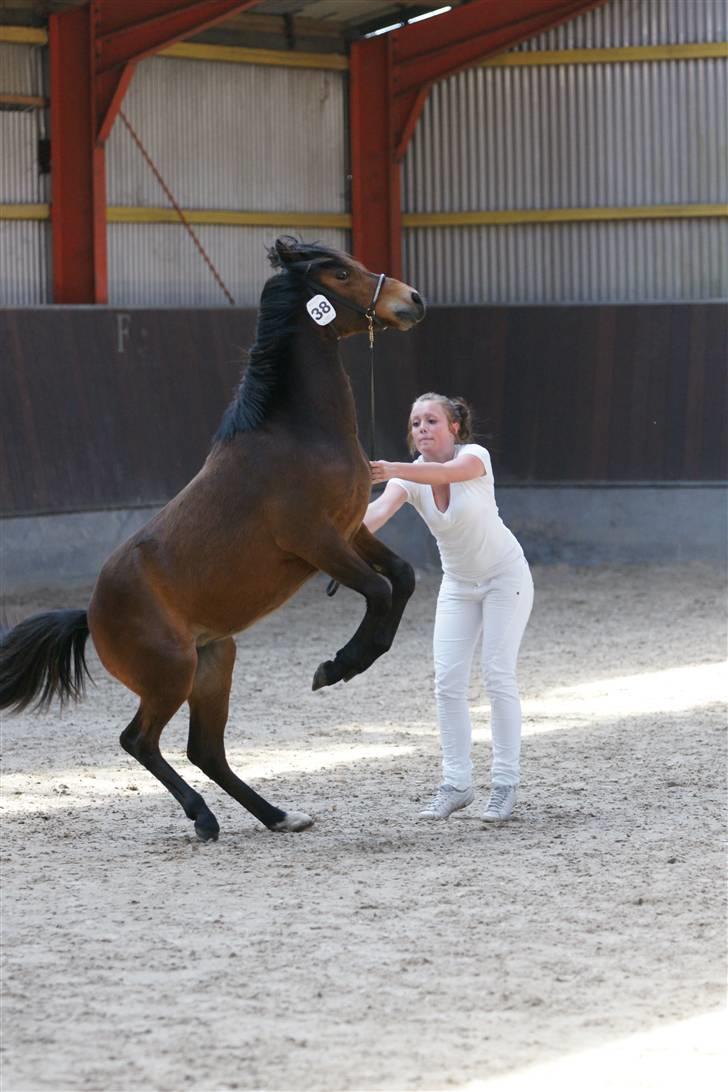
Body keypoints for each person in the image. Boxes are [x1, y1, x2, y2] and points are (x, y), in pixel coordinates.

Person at [366, 393, 533, 823]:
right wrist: (329, 532)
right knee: (448, 682)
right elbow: (378, 512)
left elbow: (448, 471)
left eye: (431, 421)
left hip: (505, 578)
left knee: (498, 676)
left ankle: (504, 784)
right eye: (416, 423)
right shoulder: (409, 477)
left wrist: (391, 469)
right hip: (458, 585)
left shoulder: (474, 456)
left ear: (454, 427)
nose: (422, 429)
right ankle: (457, 784)